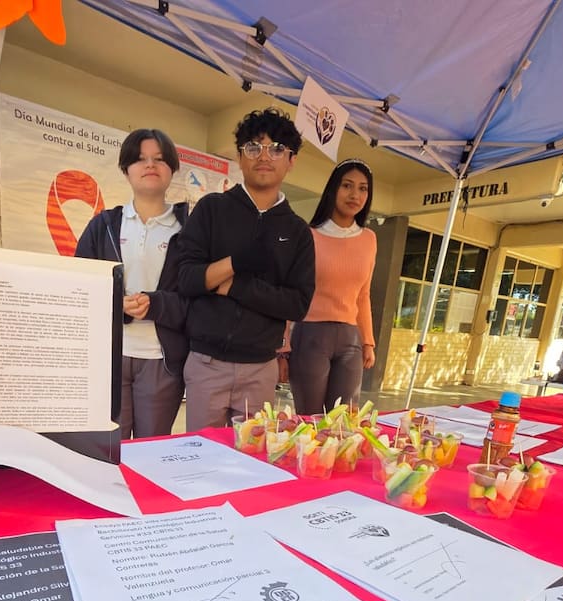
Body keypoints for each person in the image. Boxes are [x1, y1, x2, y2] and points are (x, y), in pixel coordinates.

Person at [170, 107, 315, 430]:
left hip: (260, 368)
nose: (265, 156)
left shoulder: (297, 231)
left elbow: (297, 304)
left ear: (291, 161)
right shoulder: (212, 209)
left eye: (277, 149)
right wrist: (235, 263)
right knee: (199, 457)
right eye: (254, 147)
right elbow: (187, 278)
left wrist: (232, 286)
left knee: (247, 463)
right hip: (206, 363)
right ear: (239, 156)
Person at [75, 129, 188, 439]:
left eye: (159, 159)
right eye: (140, 159)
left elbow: (195, 299)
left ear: (172, 169)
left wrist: (156, 303)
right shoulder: (105, 225)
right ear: (126, 169)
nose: (150, 165)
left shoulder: (189, 230)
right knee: (111, 447)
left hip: (161, 361)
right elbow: (79, 285)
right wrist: (115, 302)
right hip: (110, 357)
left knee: (152, 449)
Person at [287, 159, 377, 415]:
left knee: (343, 422)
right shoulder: (308, 235)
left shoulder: (369, 239)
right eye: (347, 186)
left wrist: (368, 342)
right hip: (311, 336)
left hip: (351, 340)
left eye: (363, 189)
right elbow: (290, 292)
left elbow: (364, 295)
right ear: (333, 189)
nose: (355, 195)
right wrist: (283, 346)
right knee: (310, 420)